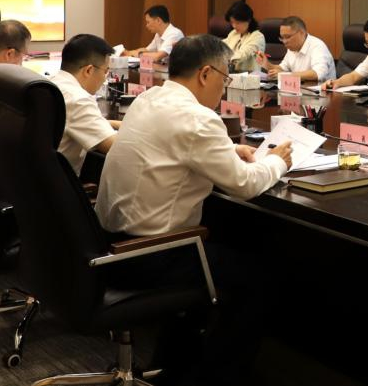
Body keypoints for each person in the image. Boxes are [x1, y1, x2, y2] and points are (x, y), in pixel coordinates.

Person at [96, 35, 293, 386]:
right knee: (258, 279)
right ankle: (212, 377)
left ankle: (176, 362)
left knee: (225, 248)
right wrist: (278, 162)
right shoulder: (198, 119)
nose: (224, 87)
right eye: (224, 77)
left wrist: (228, 149)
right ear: (205, 74)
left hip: (110, 244)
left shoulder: (148, 99)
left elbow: (175, 143)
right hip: (149, 255)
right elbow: (245, 185)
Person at [51, 34, 119, 176]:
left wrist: (116, 124)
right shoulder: (78, 99)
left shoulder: (54, 82)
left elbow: (72, 121)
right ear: (88, 70)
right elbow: (117, 147)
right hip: (60, 182)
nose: (105, 78)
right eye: (106, 71)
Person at [256, 15, 335, 82]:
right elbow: (282, 69)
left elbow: (318, 73)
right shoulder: (292, 48)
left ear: (302, 33)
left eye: (288, 37)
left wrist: (285, 75)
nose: (284, 41)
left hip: (322, 93)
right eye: (282, 37)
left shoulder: (317, 46)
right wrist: (267, 64)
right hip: (300, 90)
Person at [221, 2, 264, 72]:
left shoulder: (258, 37)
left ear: (248, 20)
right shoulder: (234, 33)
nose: (234, 26)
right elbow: (222, 46)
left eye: (237, 23)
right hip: (232, 74)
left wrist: (225, 58)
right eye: (232, 22)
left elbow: (243, 54)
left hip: (249, 75)